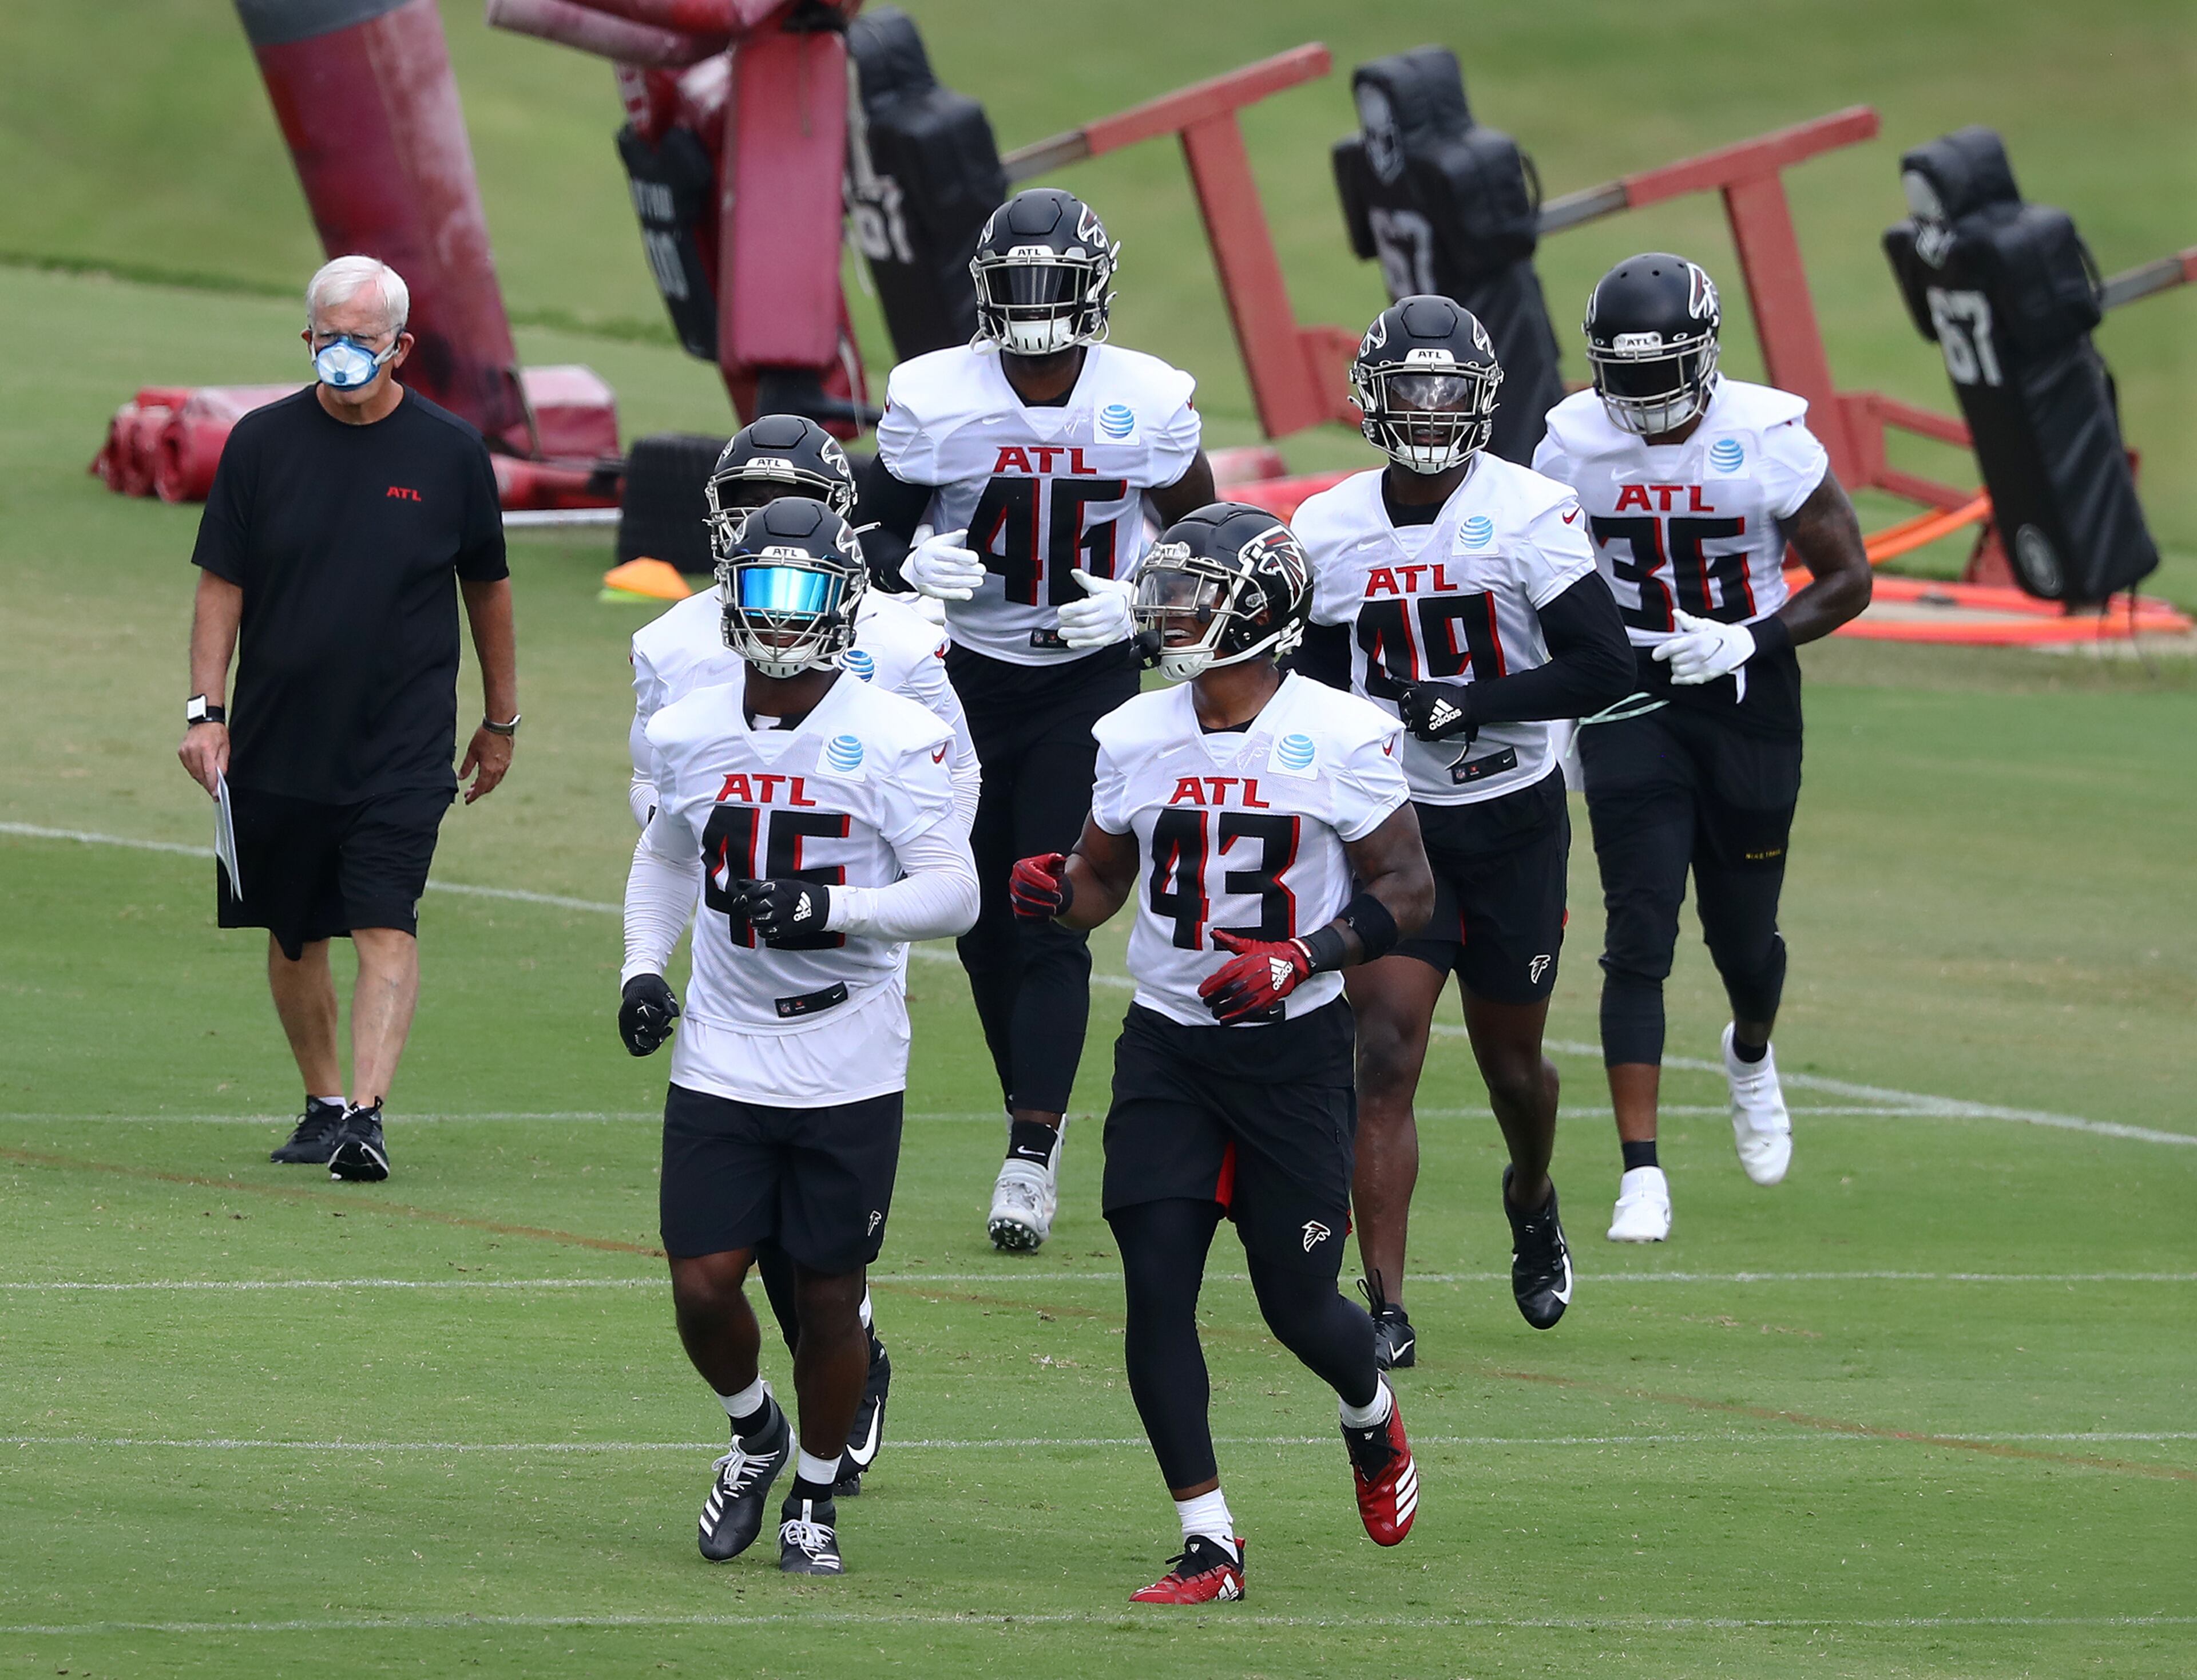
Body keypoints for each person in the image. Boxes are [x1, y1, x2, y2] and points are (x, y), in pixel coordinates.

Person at [1010, 504, 1434, 1604]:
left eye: (1193, 594)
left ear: (1264, 607)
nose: (1168, 613)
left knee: (1298, 1305)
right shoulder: (1134, 734)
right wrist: (1058, 895)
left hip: (1292, 1054)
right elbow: (1101, 882)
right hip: (1170, 1048)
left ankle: (1370, 1413)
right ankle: (1210, 1540)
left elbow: (1409, 890)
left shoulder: (1341, 733)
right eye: (1166, 593)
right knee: (1156, 1294)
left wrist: (1303, 954)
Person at [619, 497, 977, 1576]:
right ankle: (754, 1431)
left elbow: (955, 893)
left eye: (802, 593)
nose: (778, 619)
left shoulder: (897, 733)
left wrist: (839, 911)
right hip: (725, 1038)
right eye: (760, 593)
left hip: (849, 1046)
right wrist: (644, 966)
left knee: (829, 1295)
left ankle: (815, 1497)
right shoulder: (688, 725)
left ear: (843, 603)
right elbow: (669, 856)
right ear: (731, 597)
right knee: (702, 1280)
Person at [858, 186, 1218, 1251]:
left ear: (1093, 292)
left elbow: (1218, 542)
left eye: (1049, 288)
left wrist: (1145, 607)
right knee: (974, 920)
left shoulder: (1147, 399)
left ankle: (1027, 1149)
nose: (1031, 309)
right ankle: (1040, 1114)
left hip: (1084, 679)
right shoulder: (936, 394)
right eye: (1013, 287)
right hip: (959, 677)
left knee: (1049, 909)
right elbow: (864, 532)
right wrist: (903, 560)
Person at [1292, 297, 1633, 1366]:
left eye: (1448, 390)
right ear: (1371, 400)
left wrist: (1473, 702)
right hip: (1399, 833)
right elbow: (1303, 681)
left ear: (1482, 400)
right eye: (1409, 389)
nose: (1429, 410)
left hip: (1513, 818)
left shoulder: (1531, 511)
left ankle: (1530, 1194)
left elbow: (1605, 666)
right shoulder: (1327, 526)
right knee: (1384, 1051)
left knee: (1512, 1066)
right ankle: (1384, 1303)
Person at [1532, 253, 1872, 1243]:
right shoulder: (1568, 445)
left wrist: (1750, 636)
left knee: (1744, 939)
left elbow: (1849, 578)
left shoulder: (1765, 437)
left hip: (1745, 693)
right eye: (1621, 375)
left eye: (1657, 371)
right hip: (1631, 688)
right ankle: (1642, 1173)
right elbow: (1538, 572)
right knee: (1639, 931)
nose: (1637, 398)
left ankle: (1752, 1050)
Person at [177, 254, 517, 1184]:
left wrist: (502, 720)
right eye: (329, 338)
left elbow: (487, 589)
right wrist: (206, 713)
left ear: (400, 347)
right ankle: (325, 1101)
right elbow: (222, 587)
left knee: (384, 922)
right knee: (293, 934)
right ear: (307, 339)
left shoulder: (450, 453)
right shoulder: (258, 444)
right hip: (278, 737)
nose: (343, 354)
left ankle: (367, 1116)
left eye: (362, 340)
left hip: (401, 747)